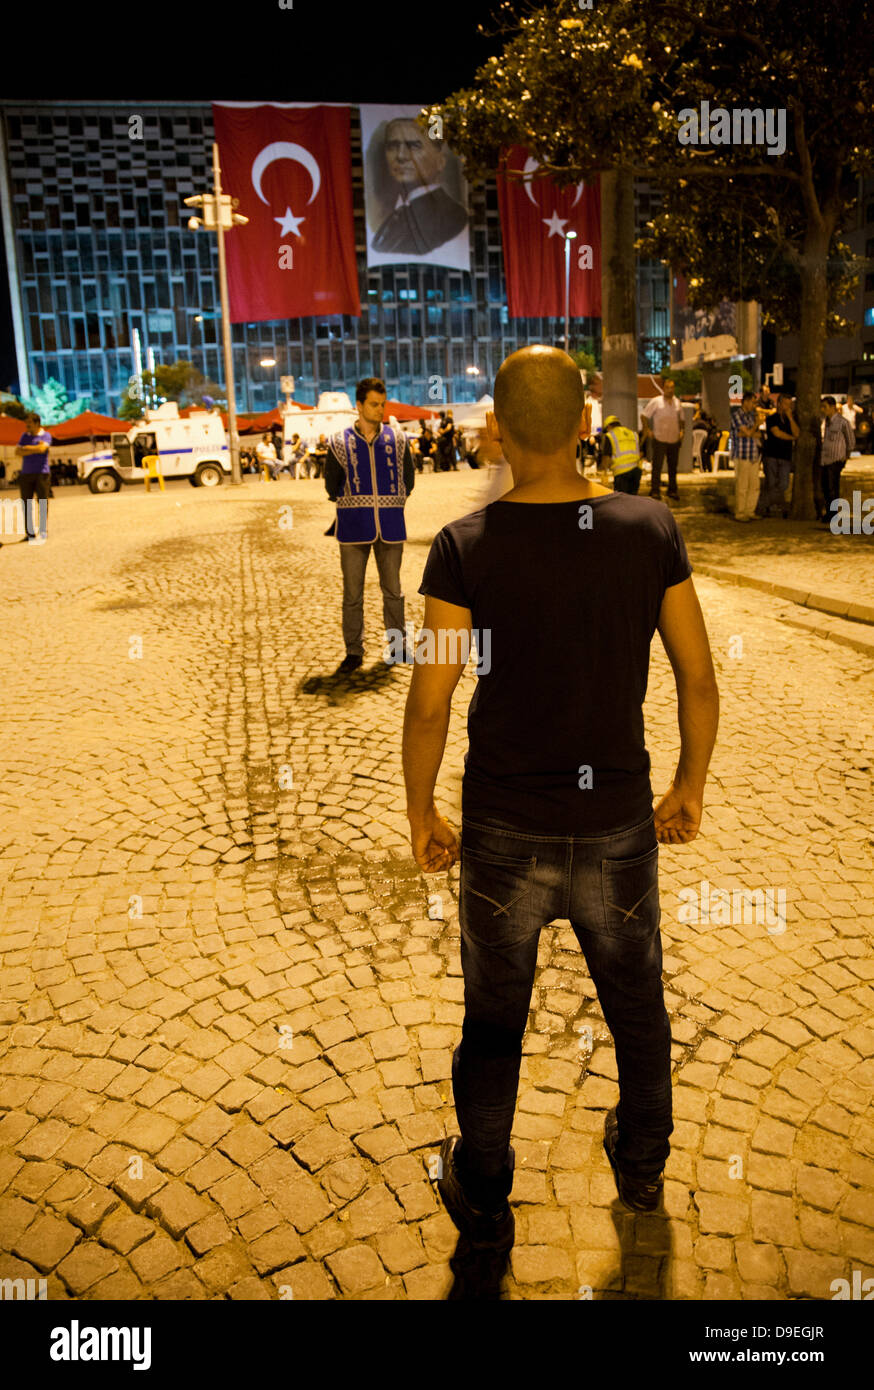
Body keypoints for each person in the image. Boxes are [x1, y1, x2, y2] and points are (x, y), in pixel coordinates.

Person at [402, 345, 719, 1249]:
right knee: (639, 1008)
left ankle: (487, 1181)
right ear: (587, 425)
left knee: (494, 1019)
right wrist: (688, 785)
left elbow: (432, 701)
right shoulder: (648, 526)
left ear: (495, 430)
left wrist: (423, 811)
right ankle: (644, 1165)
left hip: (503, 829)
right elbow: (698, 678)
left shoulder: (464, 549)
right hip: (618, 824)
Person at [325, 377, 416, 675]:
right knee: (353, 594)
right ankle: (353, 651)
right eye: (374, 405)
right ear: (359, 406)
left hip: (390, 525)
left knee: (394, 590)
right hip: (352, 528)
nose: (380, 410)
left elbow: (409, 478)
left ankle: (398, 646)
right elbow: (331, 484)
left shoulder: (397, 438)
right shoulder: (339, 442)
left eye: (382, 404)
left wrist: (393, 501)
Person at [370, 118, 468, 257]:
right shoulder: (396, 213)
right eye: (393, 146)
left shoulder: (453, 216)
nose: (401, 156)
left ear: (440, 162)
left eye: (414, 146)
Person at [641, 379, 684, 502]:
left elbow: (682, 419)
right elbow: (644, 415)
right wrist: (647, 429)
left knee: (673, 467)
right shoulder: (656, 402)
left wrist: (682, 431)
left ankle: (672, 490)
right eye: (667, 387)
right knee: (657, 466)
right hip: (659, 438)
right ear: (663, 388)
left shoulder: (677, 403)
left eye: (672, 387)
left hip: (673, 439)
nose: (670, 390)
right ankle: (655, 490)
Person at [756, 394, 798, 518]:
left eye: (790, 405)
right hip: (772, 455)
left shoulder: (791, 420)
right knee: (771, 483)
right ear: (779, 404)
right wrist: (792, 438)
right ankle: (769, 506)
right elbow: (777, 433)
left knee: (783, 484)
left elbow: (797, 432)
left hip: (785, 456)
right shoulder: (772, 418)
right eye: (786, 404)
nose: (788, 407)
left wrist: (790, 419)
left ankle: (763, 504)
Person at [15, 411, 52, 543]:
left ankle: (42, 530)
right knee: (26, 504)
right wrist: (36, 447)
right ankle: (29, 533)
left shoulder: (46, 435)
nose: (27, 426)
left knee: (42, 502)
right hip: (26, 474)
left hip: (42, 473)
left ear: (37, 423)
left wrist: (26, 449)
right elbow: (17, 451)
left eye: (29, 423)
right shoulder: (24, 436)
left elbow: (43, 449)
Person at [729, 391, 762, 521]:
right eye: (753, 402)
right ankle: (740, 512)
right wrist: (755, 426)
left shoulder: (750, 416)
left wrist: (749, 432)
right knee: (742, 485)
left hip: (753, 455)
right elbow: (748, 432)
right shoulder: (737, 416)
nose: (754, 405)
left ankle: (750, 510)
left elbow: (756, 434)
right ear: (746, 402)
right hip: (742, 454)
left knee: (754, 485)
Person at [820, 396, 855, 521]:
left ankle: (833, 514)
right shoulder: (825, 421)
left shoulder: (842, 422)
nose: (823, 410)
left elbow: (850, 440)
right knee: (826, 486)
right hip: (825, 459)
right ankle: (829, 511)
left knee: (832, 486)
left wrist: (846, 455)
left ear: (832, 407)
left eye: (825, 407)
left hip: (836, 459)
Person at [600, 413, 642, 494]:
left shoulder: (610, 435)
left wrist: (604, 470)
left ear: (608, 426)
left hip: (621, 473)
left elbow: (607, 457)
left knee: (621, 501)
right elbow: (640, 452)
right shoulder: (633, 433)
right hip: (636, 471)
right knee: (632, 499)